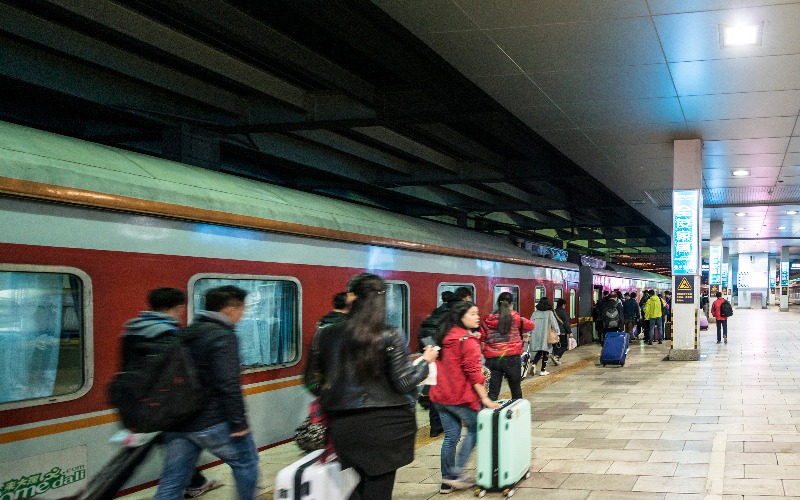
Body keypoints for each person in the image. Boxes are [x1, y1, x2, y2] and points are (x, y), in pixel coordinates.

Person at [304, 273, 438, 500]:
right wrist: (426, 362)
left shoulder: (325, 334)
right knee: (379, 488)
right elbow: (404, 382)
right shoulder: (390, 334)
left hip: (344, 426)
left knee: (354, 484)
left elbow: (310, 380)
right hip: (389, 427)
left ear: (351, 296)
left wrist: (332, 394)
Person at [154, 286, 259, 500]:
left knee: (172, 481)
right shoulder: (223, 336)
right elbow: (228, 383)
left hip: (180, 421)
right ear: (230, 309)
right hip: (213, 421)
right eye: (242, 308)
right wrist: (239, 423)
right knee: (246, 462)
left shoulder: (187, 332)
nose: (243, 314)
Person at [121, 288, 218, 499]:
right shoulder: (169, 334)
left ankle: (196, 482)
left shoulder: (132, 329)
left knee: (166, 450)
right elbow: (178, 374)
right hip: (163, 406)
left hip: (134, 405)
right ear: (179, 307)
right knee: (175, 450)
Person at [431, 301, 501, 494]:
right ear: (461, 317)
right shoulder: (466, 341)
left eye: (477, 313)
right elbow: (474, 374)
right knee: (476, 429)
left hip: (439, 396)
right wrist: (485, 399)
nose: (477, 317)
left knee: (451, 437)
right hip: (459, 397)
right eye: (472, 314)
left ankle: (446, 482)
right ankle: (456, 473)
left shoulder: (444, 336)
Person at [480, 292, 534, 400]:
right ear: (510, 304)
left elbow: (482, 337)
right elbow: (531, 325)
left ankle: (490, 414)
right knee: (515, 389)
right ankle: (517, 414)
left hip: (493, 359)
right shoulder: (515, 317)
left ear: (497, 303)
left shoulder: (487, 319)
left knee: (493, 392)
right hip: (512, 358)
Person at [529, 297, 559, 376]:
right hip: (546, 335)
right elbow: (554, 324)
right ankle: (543, 370)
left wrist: (529, 334)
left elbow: (530, 324)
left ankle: (534, 364)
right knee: (545, 351)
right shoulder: (549, 313)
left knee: (540, 350)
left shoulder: (535, 313)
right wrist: (557, 332)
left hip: (536, 335)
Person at [552, 298, 572, 364]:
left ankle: (555, 357)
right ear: (563, 305)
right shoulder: (563, 312)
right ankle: (557, 357)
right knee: (564, 345)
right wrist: (570, 332)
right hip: (562, 331)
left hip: (554, 331)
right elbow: (566, 323)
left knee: (556, 345)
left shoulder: (553, 311)